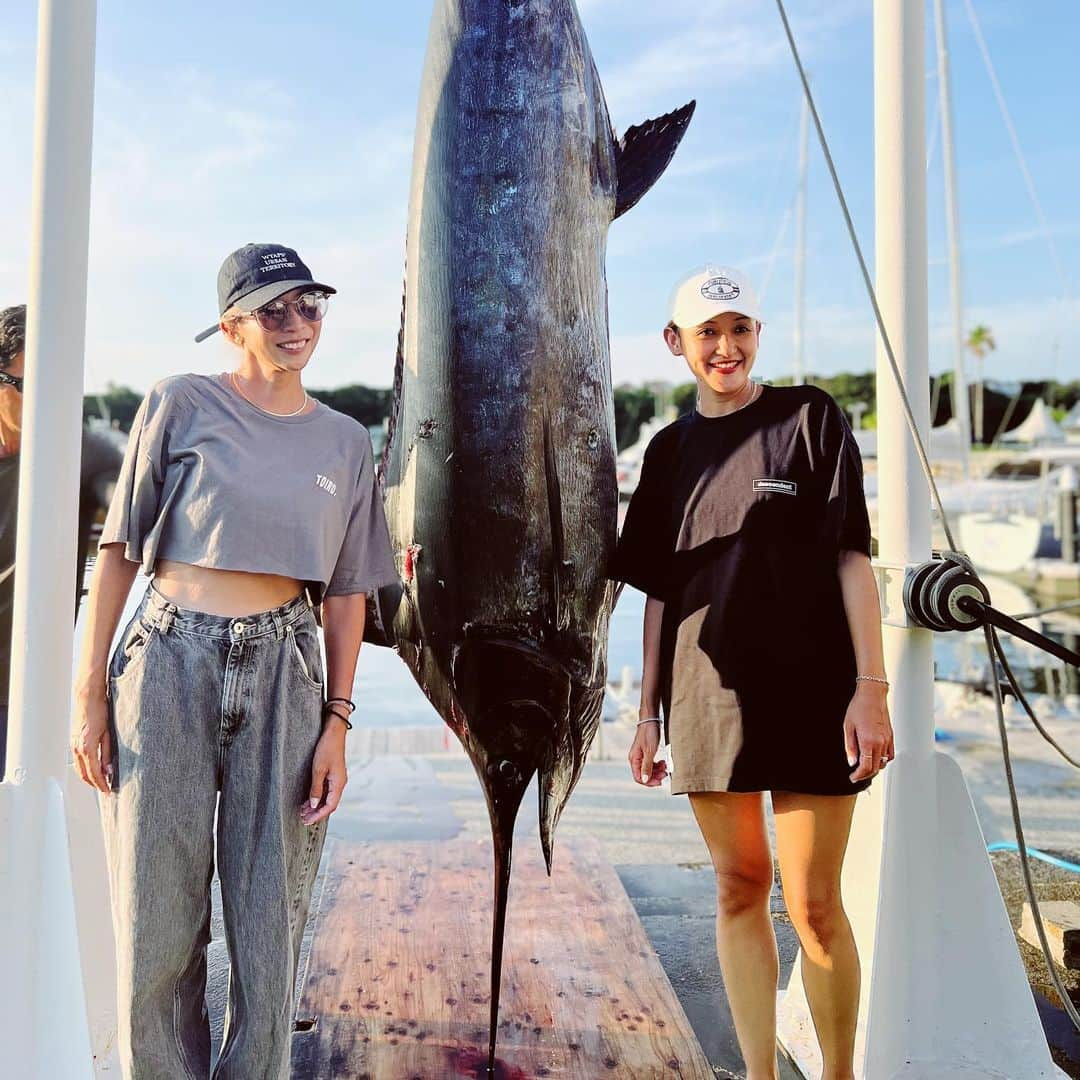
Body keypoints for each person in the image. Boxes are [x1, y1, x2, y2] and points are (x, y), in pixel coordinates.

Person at [70, 243, 398, 1079]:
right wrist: (88, 699)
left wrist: (339, 722)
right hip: (168, 658)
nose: (296, 323)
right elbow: (117, 554)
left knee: (268, 920)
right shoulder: (180, 403)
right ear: (231, 325)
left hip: (288, 669)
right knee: (156, 918)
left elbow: (350, 592)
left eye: (310, 305)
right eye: (273, 309)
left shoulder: (345, 441)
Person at [612, 266, 893, 1080]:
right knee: (739, 887)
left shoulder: (810, 418)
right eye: (708, 332)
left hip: (813, 694)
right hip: (706, 701)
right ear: (676, 344)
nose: (726, 347)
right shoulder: (667, 451)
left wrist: (869, 691)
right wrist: (646, 712)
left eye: (740, 329)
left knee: (811, 904)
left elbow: (851, 559)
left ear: (757, 336)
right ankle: (759, 1072)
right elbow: (660, 595)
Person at [0, 303, 123, 780]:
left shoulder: (82, 454)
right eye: (31, 386)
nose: (47, 402)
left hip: (27, 691)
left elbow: (131, 507)